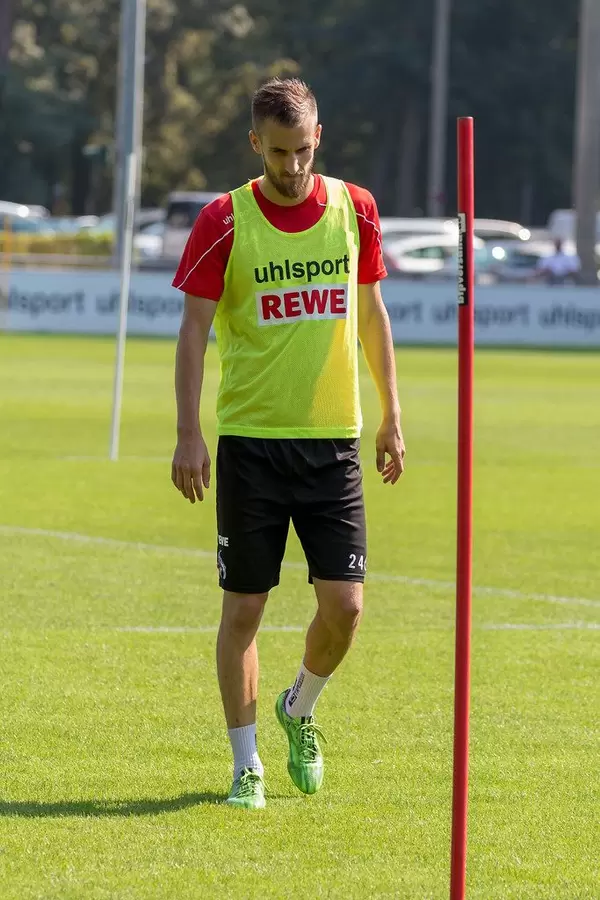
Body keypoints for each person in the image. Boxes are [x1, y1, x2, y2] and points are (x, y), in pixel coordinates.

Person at [171, 77, 406, 809]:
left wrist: (393, 414)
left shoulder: (354, 209)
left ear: (319, 138)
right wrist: (188, 432)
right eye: (278, 153)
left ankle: (299, 706)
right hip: (251, 441)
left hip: (333, 442)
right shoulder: (224, 219)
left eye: (303, 150)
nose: (292, 166)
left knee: (347, 607)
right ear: (255, 144)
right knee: (243, 612)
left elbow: (371, 316)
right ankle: (247, 769)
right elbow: (193, 331)